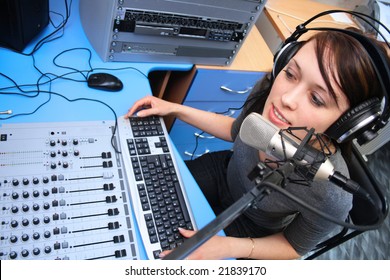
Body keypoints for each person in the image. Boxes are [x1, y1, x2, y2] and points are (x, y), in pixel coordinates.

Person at [125, 29, 389, 259]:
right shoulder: (268, 92)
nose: (286, 97)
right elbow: (234, 129)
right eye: (291, 74)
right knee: (139, 192)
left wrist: (227, 247)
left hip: (250, 226)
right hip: (223, 173)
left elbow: (293, 247)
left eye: (317, 99)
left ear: (347, 123)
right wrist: (173, 108)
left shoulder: (332, 193)